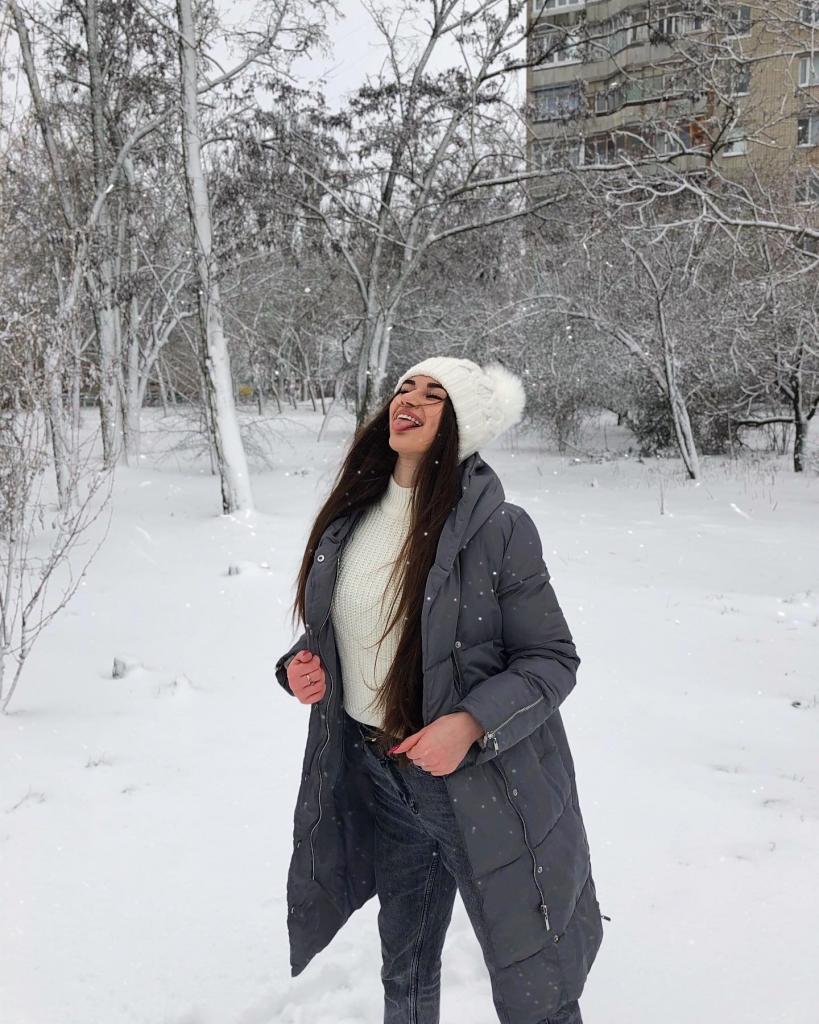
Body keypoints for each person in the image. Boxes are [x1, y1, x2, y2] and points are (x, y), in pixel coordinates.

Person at [275, 356, 604, 1024]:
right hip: (379, 772)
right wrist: (299, 667)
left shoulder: (497, 527)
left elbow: (551, 658)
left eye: (435, 396)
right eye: (405, 388)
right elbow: (347, 627)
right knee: (405, 962)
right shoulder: (353, 518)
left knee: (533, 979)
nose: (411, 400)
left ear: (462, 426)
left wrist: (470, 724)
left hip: (477, 786)